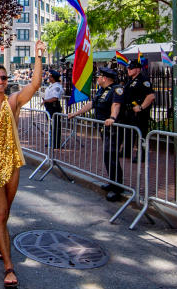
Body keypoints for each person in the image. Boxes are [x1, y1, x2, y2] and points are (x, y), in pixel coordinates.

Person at [0, 40, 45, 289]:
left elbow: (36, 84)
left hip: (12, 163)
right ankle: (9, 267)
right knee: (1, 212)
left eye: (3, 78)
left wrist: (38, 55)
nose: (0, 82)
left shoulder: (13, 102)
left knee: (6, 210)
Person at [68, 67, 125, 201]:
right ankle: (113, 182)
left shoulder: (116, 89)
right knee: (108, 156)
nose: (97, 79)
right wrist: (75, 113)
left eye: (99, 76)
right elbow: (91, 104)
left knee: (111, 156)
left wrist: (112, 118)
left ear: (104, 78)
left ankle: (117, 188)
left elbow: (116, 105)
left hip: (114, 128)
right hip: (103, 128)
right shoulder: (102, 90)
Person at [122, 60, 155, 161]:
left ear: (138, 69)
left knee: (141, 134)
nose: (128, 70)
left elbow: (151, 96)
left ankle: (142, 156)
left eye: (131, 68)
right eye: (128, 68)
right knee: (129, 132)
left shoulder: (143, 80)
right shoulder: (130, 80)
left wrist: (141, 107)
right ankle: (126, 152)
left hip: (140, 113)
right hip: (130, 111)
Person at [42, 70, 64, 149]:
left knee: (55, 126)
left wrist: (45, 101)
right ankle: (51, 141)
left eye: (50, 76)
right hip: (49, 107)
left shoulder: (57, 87)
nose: (49, 77)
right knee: (51, 126)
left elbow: (55, 98)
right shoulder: (52, 85)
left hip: (53, 107)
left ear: (53, 78)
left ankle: (56, 143)